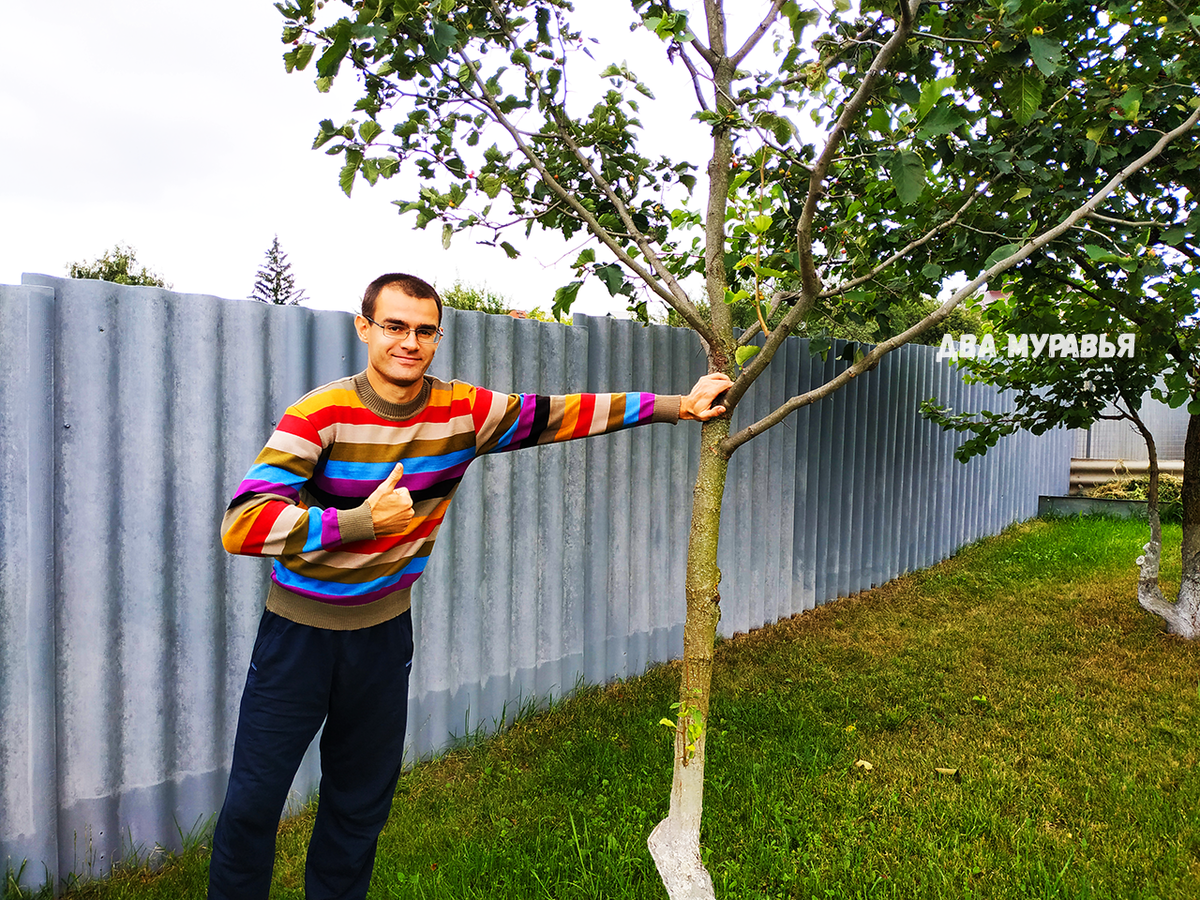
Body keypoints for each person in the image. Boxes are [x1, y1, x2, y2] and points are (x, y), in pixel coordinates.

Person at [208, 272, 732, 900]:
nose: (409, 342)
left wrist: (679, 405)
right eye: (394, 326)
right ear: (365, 328)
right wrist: (357, 522)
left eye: (424, 331)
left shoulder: (463, 410)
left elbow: (562, 414)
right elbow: (241, 524)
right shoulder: (320, 415)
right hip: (298, 635)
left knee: (357, 806)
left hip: (381, 635)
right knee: (252, 806)